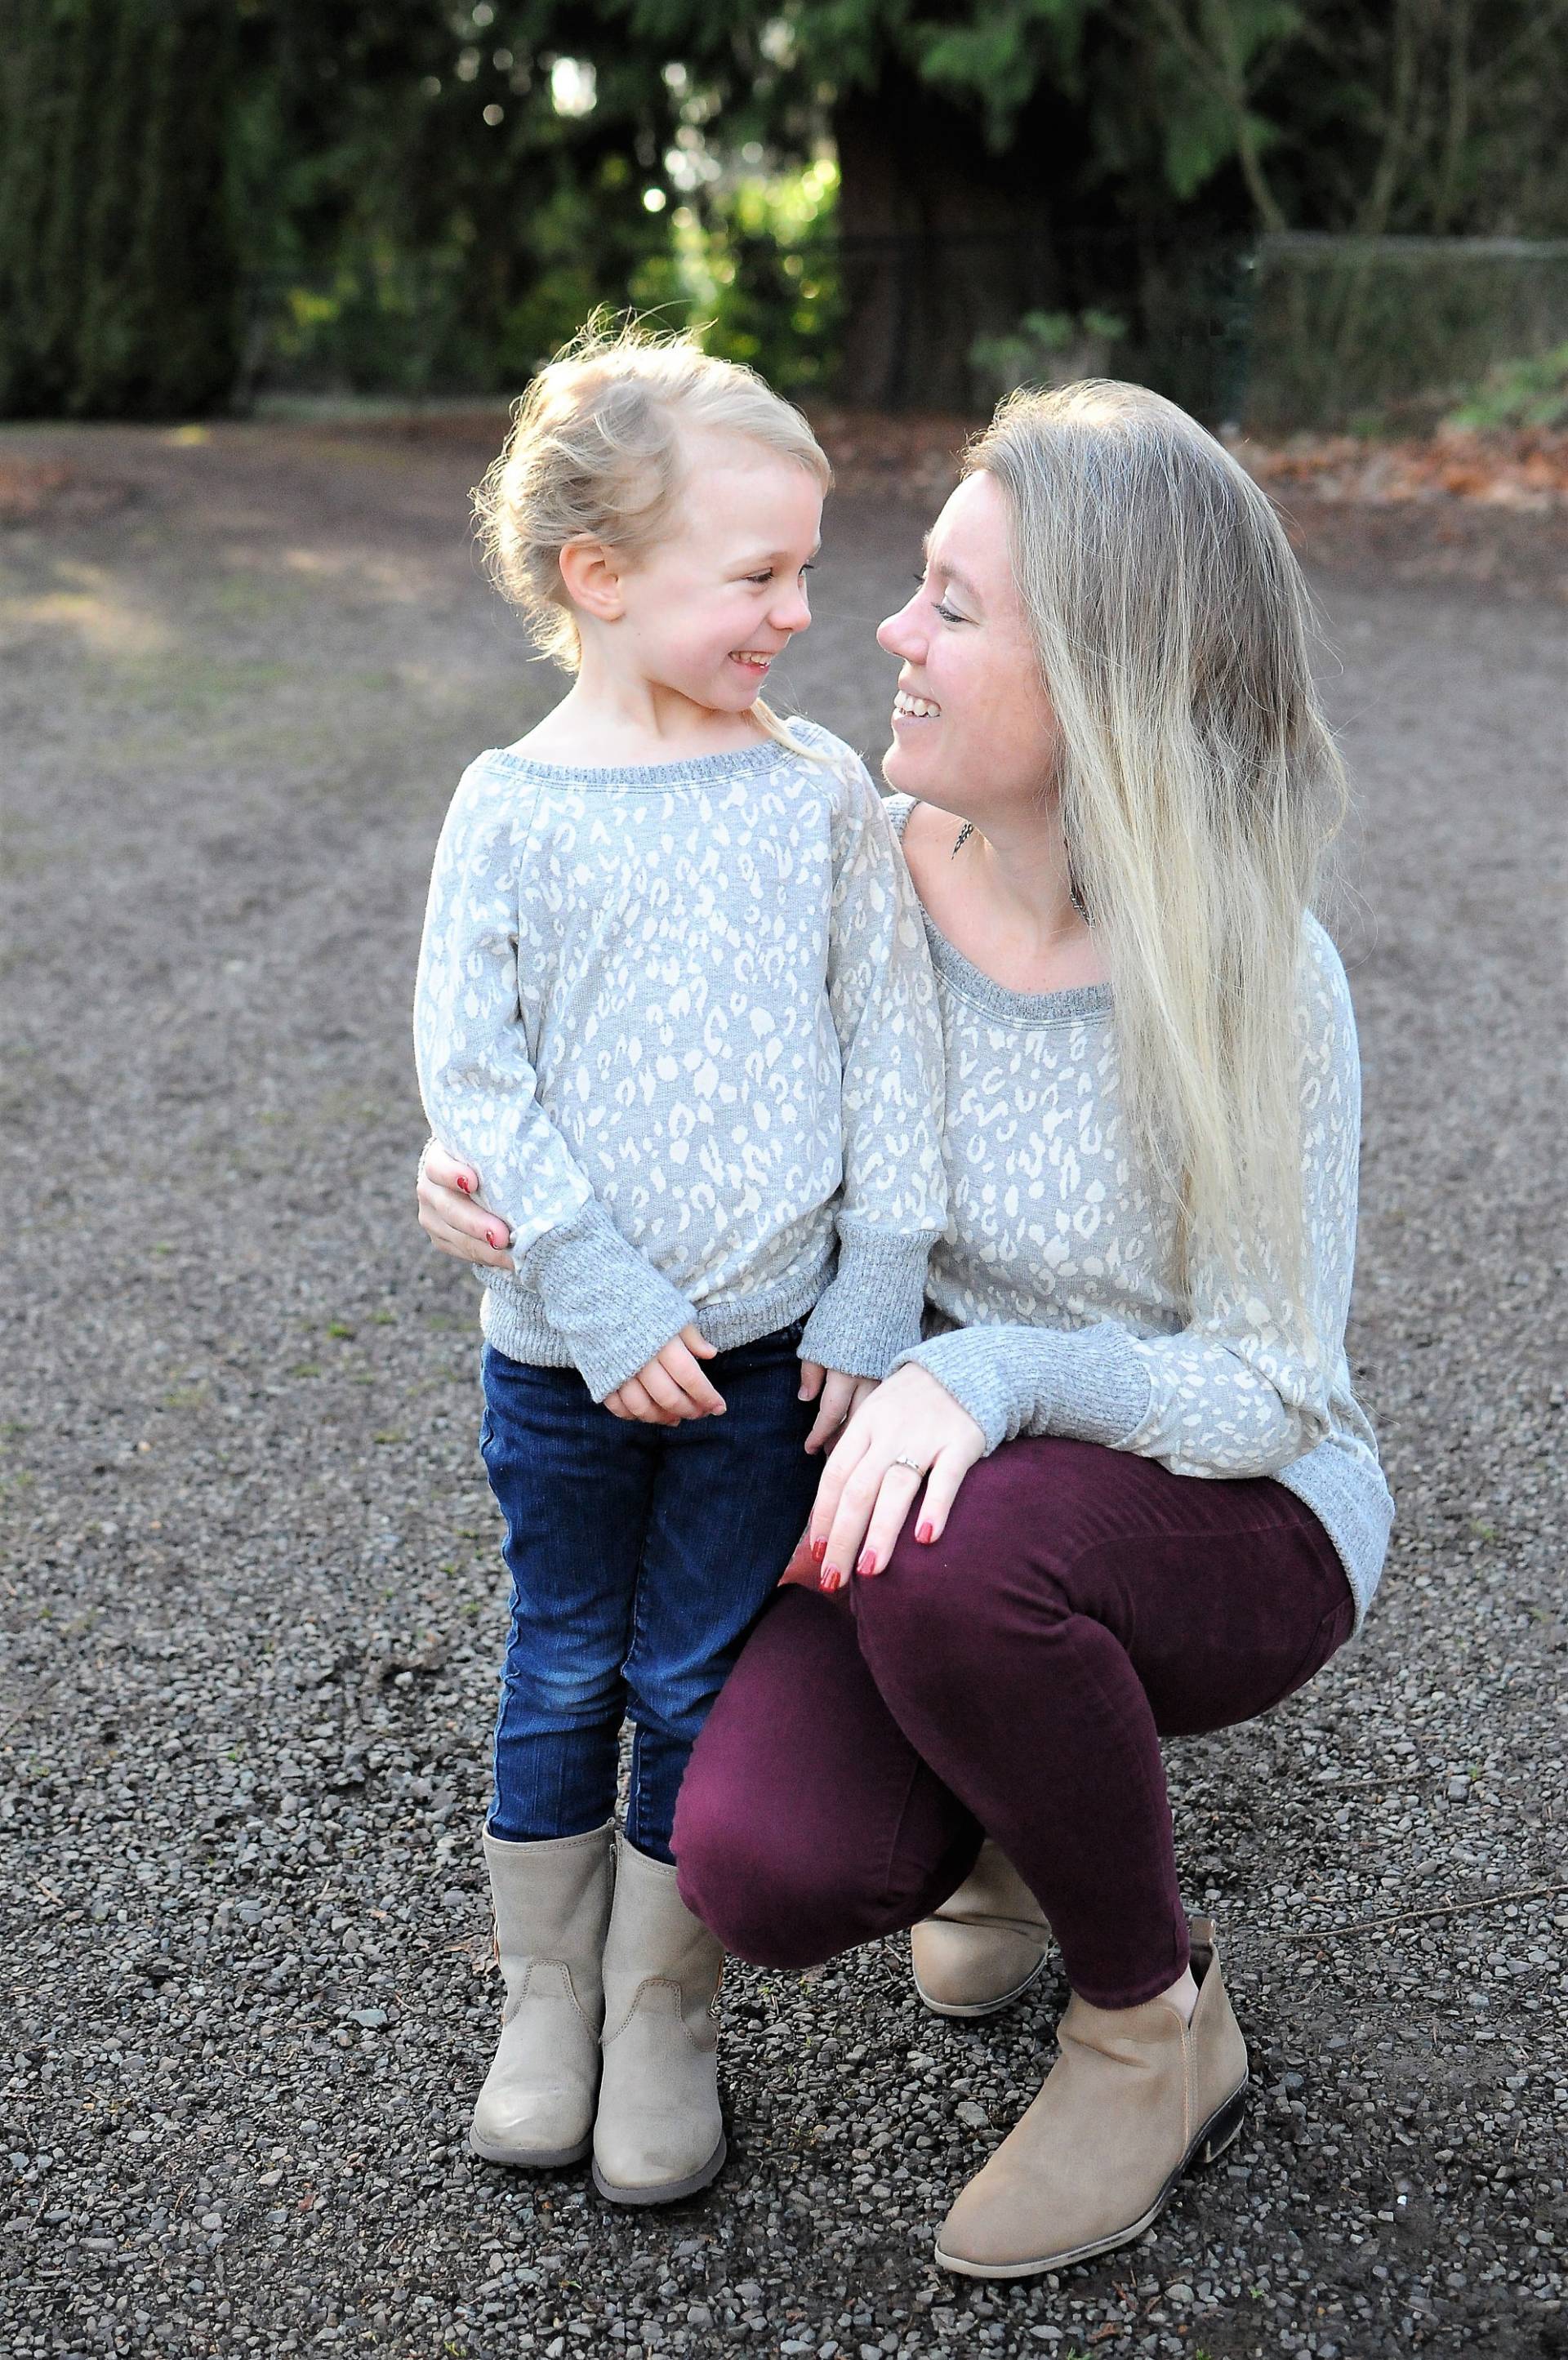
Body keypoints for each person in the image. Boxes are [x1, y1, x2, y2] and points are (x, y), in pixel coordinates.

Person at [418, 380, 1393, 2277]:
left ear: (1101, 665)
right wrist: (472, 1179)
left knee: (965, 1580)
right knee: (760, 1854)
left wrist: (991, 1365)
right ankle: (1026, 1814)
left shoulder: (1260, 969)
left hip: (1212, 1494)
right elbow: (636, 1065)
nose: (880, 627)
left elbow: (1278, 1378)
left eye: (951, 602)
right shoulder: (863, 849)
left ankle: (1147, 2020)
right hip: (914, 1478)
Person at [412, 321, 946, 2207]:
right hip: (564, 1356)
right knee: (566, 1658)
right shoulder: (515, 807)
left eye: (808, 565)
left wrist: (876, 1294)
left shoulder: (812, 798)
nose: (803, 607)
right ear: (601, 575)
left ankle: (664, 2011)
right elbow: (475, 1073)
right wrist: (603, 1289)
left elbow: (895, 1047)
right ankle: (543, 2000)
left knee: (696, 1665)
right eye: (762, 573)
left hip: (773, 1350)